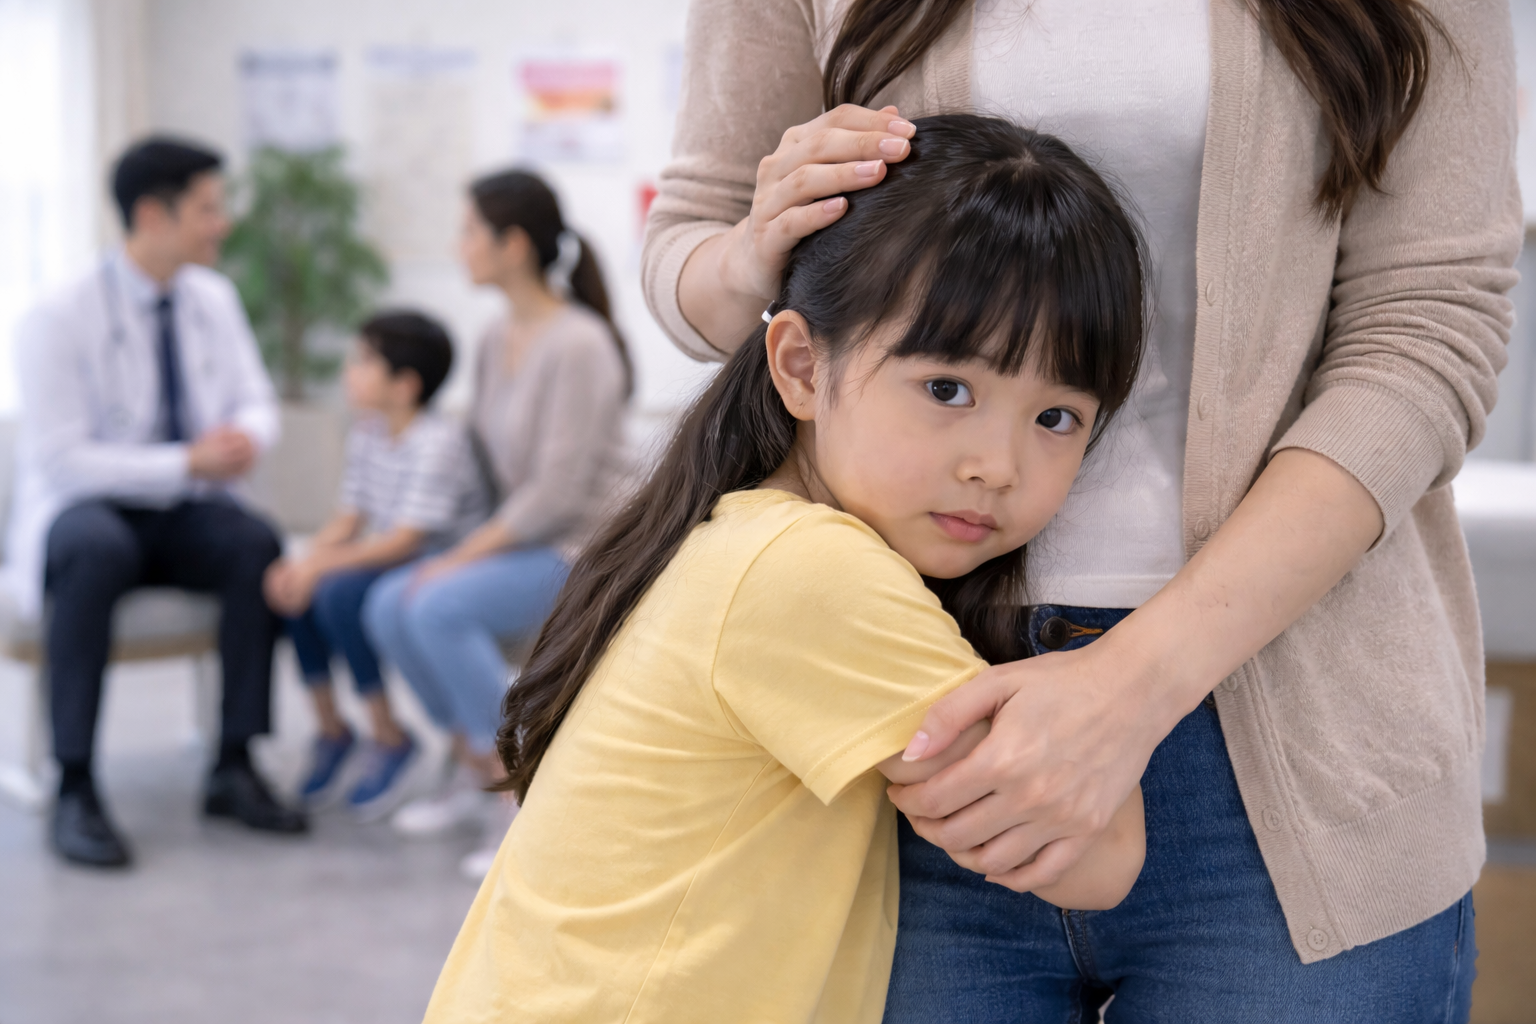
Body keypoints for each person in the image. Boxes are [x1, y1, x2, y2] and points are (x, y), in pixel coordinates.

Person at [643, 0, 1520, 1018]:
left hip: (1298, 749)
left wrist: (1131, 688)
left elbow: (1429, 331)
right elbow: (691, 250)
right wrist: (755, 245)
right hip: (895, 716)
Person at [424, 114, 1148, 1024]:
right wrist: (1115, 683)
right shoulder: (808, 572)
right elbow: (1102, 854)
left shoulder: (732, 535)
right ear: (801, 366)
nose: (996, 465)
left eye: (1057, 418)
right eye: (947, 389)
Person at [8, 136, 308, 869]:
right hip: (92, 505)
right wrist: (187, 461)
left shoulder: (213, 298)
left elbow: (256, 402)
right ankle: (75, 783)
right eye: (208, 208)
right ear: (152, 213)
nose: (222, 223)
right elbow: (63, 459)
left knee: (254, 544)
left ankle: (233, 764)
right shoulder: (57, 314)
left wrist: (243, 437)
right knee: (94, 547)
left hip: (183, 501)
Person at [364, 170, 630, 879]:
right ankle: (469, 765)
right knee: (388, 602)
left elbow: (557, 493)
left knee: (436, 601)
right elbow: (485, 468)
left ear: (512, 245)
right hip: (521, 540)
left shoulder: (580, 343)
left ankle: (520, 787)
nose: (460, 246)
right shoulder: (491, 339)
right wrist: (450, 544)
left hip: (582, 550)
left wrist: (457, 561)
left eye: (469, 231)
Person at [264, 311, 487, 816]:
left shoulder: (438, 439)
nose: (350, 372)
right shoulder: (368, 430)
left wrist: (323, 568)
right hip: (393, 552)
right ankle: (332, 729)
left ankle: (389, 735)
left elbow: (406, 540)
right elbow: (351, 514)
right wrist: (303, 562)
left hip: (437, 559)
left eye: (364, 362)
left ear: (405, 385)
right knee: (296, 593)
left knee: (338, 594)